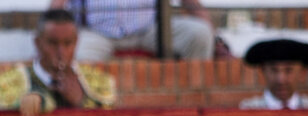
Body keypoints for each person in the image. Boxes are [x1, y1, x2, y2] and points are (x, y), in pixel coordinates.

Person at [0, 9, 116, 116]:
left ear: (76, 43)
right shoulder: (3, 85)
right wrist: (22, 102)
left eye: (68, 43)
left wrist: (82, 101)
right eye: (53, 43)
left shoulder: (102, 84)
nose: (61, 52)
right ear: (37, 43)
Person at [51, 0, 214, 61]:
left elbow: (191, 2)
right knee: (76, 55)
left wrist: (215, 36)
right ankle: (87, 113)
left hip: (149, 30)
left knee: (199, 34)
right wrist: (46, 40)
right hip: (96, 32)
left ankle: (192, 100)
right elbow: (57, 6)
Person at [239, 38, 308, 110]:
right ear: (263, 71)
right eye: (274, 70)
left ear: (302, 72)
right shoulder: (249, 110)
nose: (281, 80)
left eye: (289, 70)